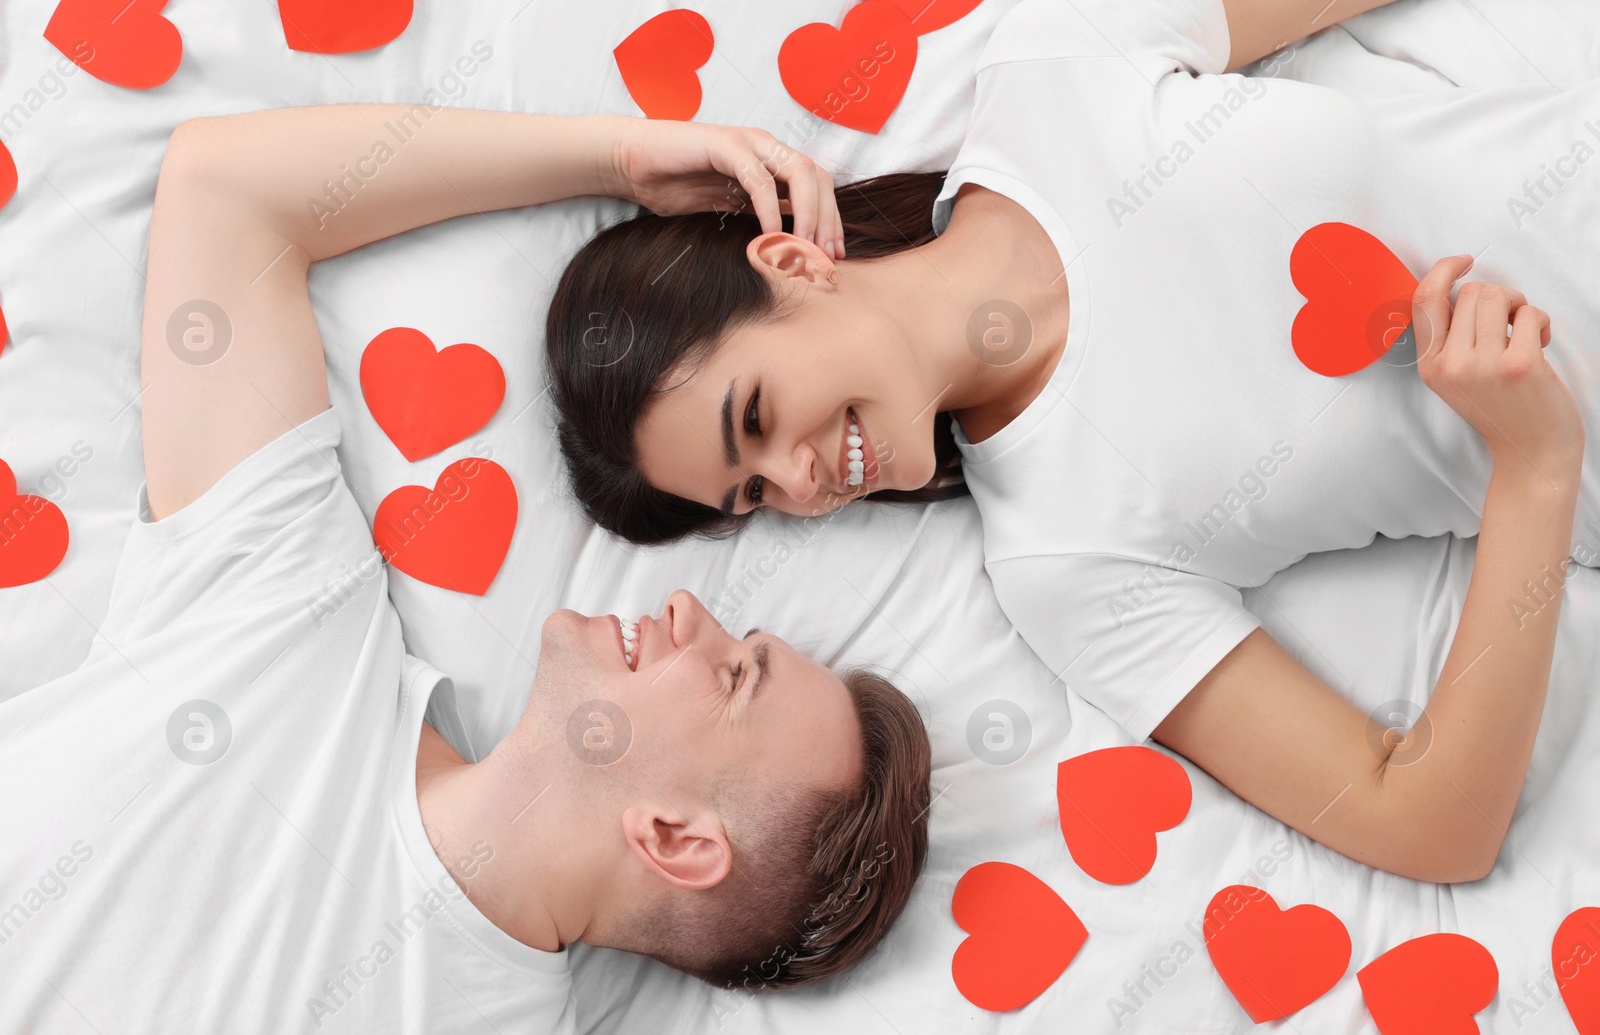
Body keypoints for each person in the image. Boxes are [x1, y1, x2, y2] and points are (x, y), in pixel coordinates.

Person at [546, 0, 1600, 884]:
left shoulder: (1053, 74)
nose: (798, 479)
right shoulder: (1066, 562)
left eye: (756, 417)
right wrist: (1535, 468)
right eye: (752, 494)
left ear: (789, 260)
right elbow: (1426, 824)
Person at [0, 106, 931, 1035]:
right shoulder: (288, 618)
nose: (693, 610)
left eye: (735, 676)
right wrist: (618, 157)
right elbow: (227, 192)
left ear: (675, 837)